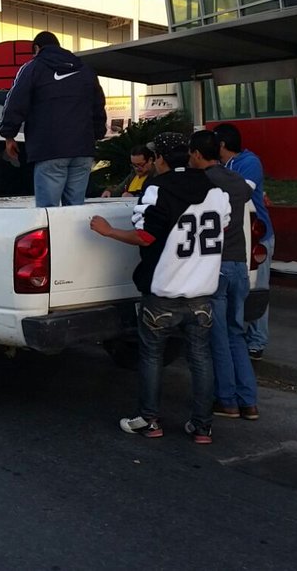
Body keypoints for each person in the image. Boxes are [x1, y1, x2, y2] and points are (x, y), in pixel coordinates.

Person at [89, 132, 230, 444]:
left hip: (164, 289)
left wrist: (108, 231)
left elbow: (146, 237)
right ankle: (202, 426)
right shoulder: (217, 191)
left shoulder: (156, 189)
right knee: (200, 357)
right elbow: (223, 226)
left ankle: (149, 420)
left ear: (161, 159)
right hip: (202, 291)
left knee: (152, 355)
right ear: (190, 154)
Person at [189, 130, 259, 421]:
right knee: (236, 334)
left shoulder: (201, 182)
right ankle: (249, 402)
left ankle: (227, 400)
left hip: (214, 266)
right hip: (238, 266)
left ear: (195, 154)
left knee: (216, 336)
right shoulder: (238, 181)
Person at [0, 31, 106, 207]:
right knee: (75, 208)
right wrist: (96, 134)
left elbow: (16, 102)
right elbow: (98, 105)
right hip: (83, 150)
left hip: (50, 149)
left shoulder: (33, 68)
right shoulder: (85, 70)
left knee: (48, 212)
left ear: (36, 48)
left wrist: (8, 135)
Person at [213, 123, 274, 360]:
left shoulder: (249, 162)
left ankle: (257, 341)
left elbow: (241, 192)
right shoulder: (221, 165)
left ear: (222, 144)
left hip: (256, 234)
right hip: (233, 234)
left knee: (257, 288)